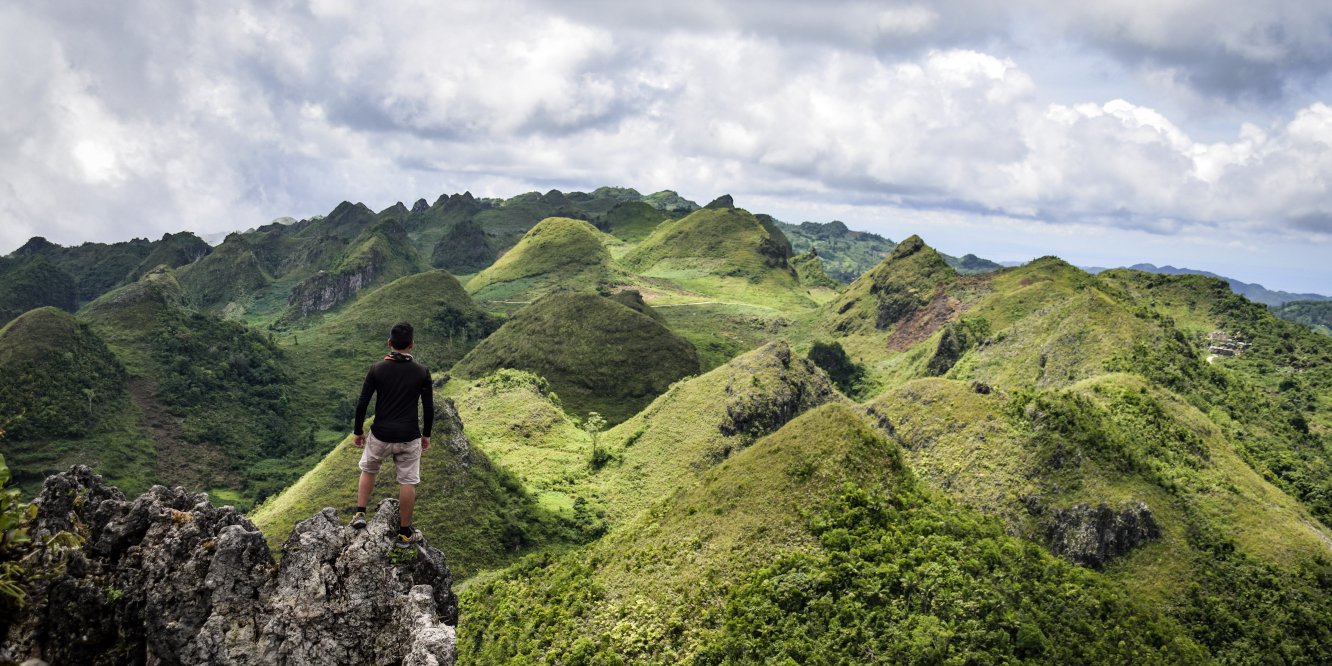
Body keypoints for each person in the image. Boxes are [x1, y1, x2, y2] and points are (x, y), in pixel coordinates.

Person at [351, 321, 433, 548]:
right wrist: (426, 435)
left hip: (380, 434)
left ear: (389, 343)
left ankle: (359, 514)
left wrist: (358, 431)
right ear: (412, 345)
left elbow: (363, 403)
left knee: (368, 469)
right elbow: (428, 407)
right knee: (407, 481)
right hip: (409, 435)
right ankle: (405, 533)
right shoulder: (421, 372)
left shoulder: (377, 369)